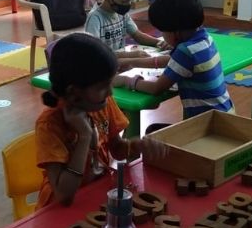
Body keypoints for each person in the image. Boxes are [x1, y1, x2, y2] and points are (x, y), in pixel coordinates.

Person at [35, 33, 167, 208]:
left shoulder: (103, 103)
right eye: (102, 87)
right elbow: (63, 196)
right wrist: (84, 137)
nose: (110, 92)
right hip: (59, 208)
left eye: (110, 84)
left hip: (98, 194)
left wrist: (138, 145)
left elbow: (117, 149)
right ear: (74, 92)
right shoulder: (49, 124)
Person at [113, 0, 235, 131]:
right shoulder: (204, 39)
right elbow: (170, 61)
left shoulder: (185, 51)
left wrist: (126, 81)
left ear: (175, 33)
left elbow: (156, 88)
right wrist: (130, 62)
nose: (162, 35)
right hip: (225, 116)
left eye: (162, 31)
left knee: (152, 132)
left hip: (208, 127)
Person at [84, 0, 170, 58]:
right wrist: (129, 55)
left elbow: (137, 35)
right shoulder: (95, 18)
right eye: (124, 1)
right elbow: (95, 52)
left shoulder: (121, 14)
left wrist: (160, 43)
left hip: (120, 60)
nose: (128, 5)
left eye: (130, 1)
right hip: (105, 62)